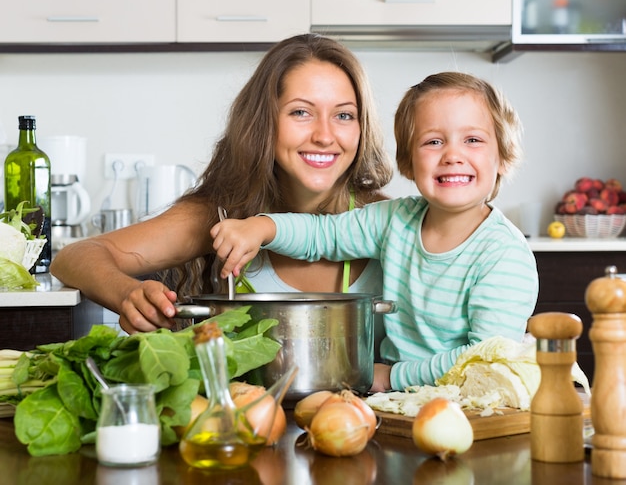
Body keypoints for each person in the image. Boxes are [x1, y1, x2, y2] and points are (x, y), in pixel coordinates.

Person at [210, 71, 540, 392]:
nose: (453, 156)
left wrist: (393, 376)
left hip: (471, 407)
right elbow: (324, 235)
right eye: (434, 141)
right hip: (399, 402)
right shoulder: (395, 220)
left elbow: (484, 360)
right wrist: (262, 227)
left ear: (503, 157)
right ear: (409, 162)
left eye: (473, 140)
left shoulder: (503, 254)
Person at [50, 33, 393, 335]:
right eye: (301, 112)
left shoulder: (391, 222)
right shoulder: (221, 215)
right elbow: (73, 257)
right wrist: (127, 294)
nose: (324, 135)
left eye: (344, 115)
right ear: (264, 123)